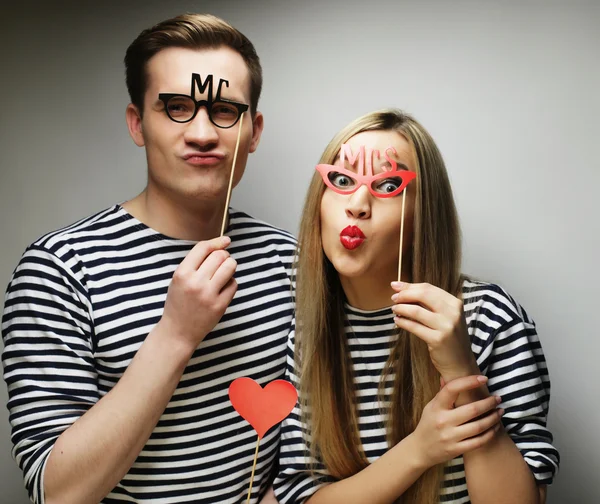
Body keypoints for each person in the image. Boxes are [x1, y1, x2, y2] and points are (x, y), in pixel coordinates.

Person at [1, 13, 295, 504]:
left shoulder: (292, 261)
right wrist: (176, 334)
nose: (203, 133)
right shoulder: (59, 269)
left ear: (254, 130)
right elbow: (58, 494)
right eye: (177, 107)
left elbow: (316, 438)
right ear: (138, 124)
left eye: (225, 111)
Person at [272, 109, 559, 503]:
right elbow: (304, 497)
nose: (357, 204)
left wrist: (460, 368)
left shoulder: (490, 317)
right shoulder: (307, 333)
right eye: (341, 180)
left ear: (425, 211)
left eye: (388, 184)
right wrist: (419, 450)